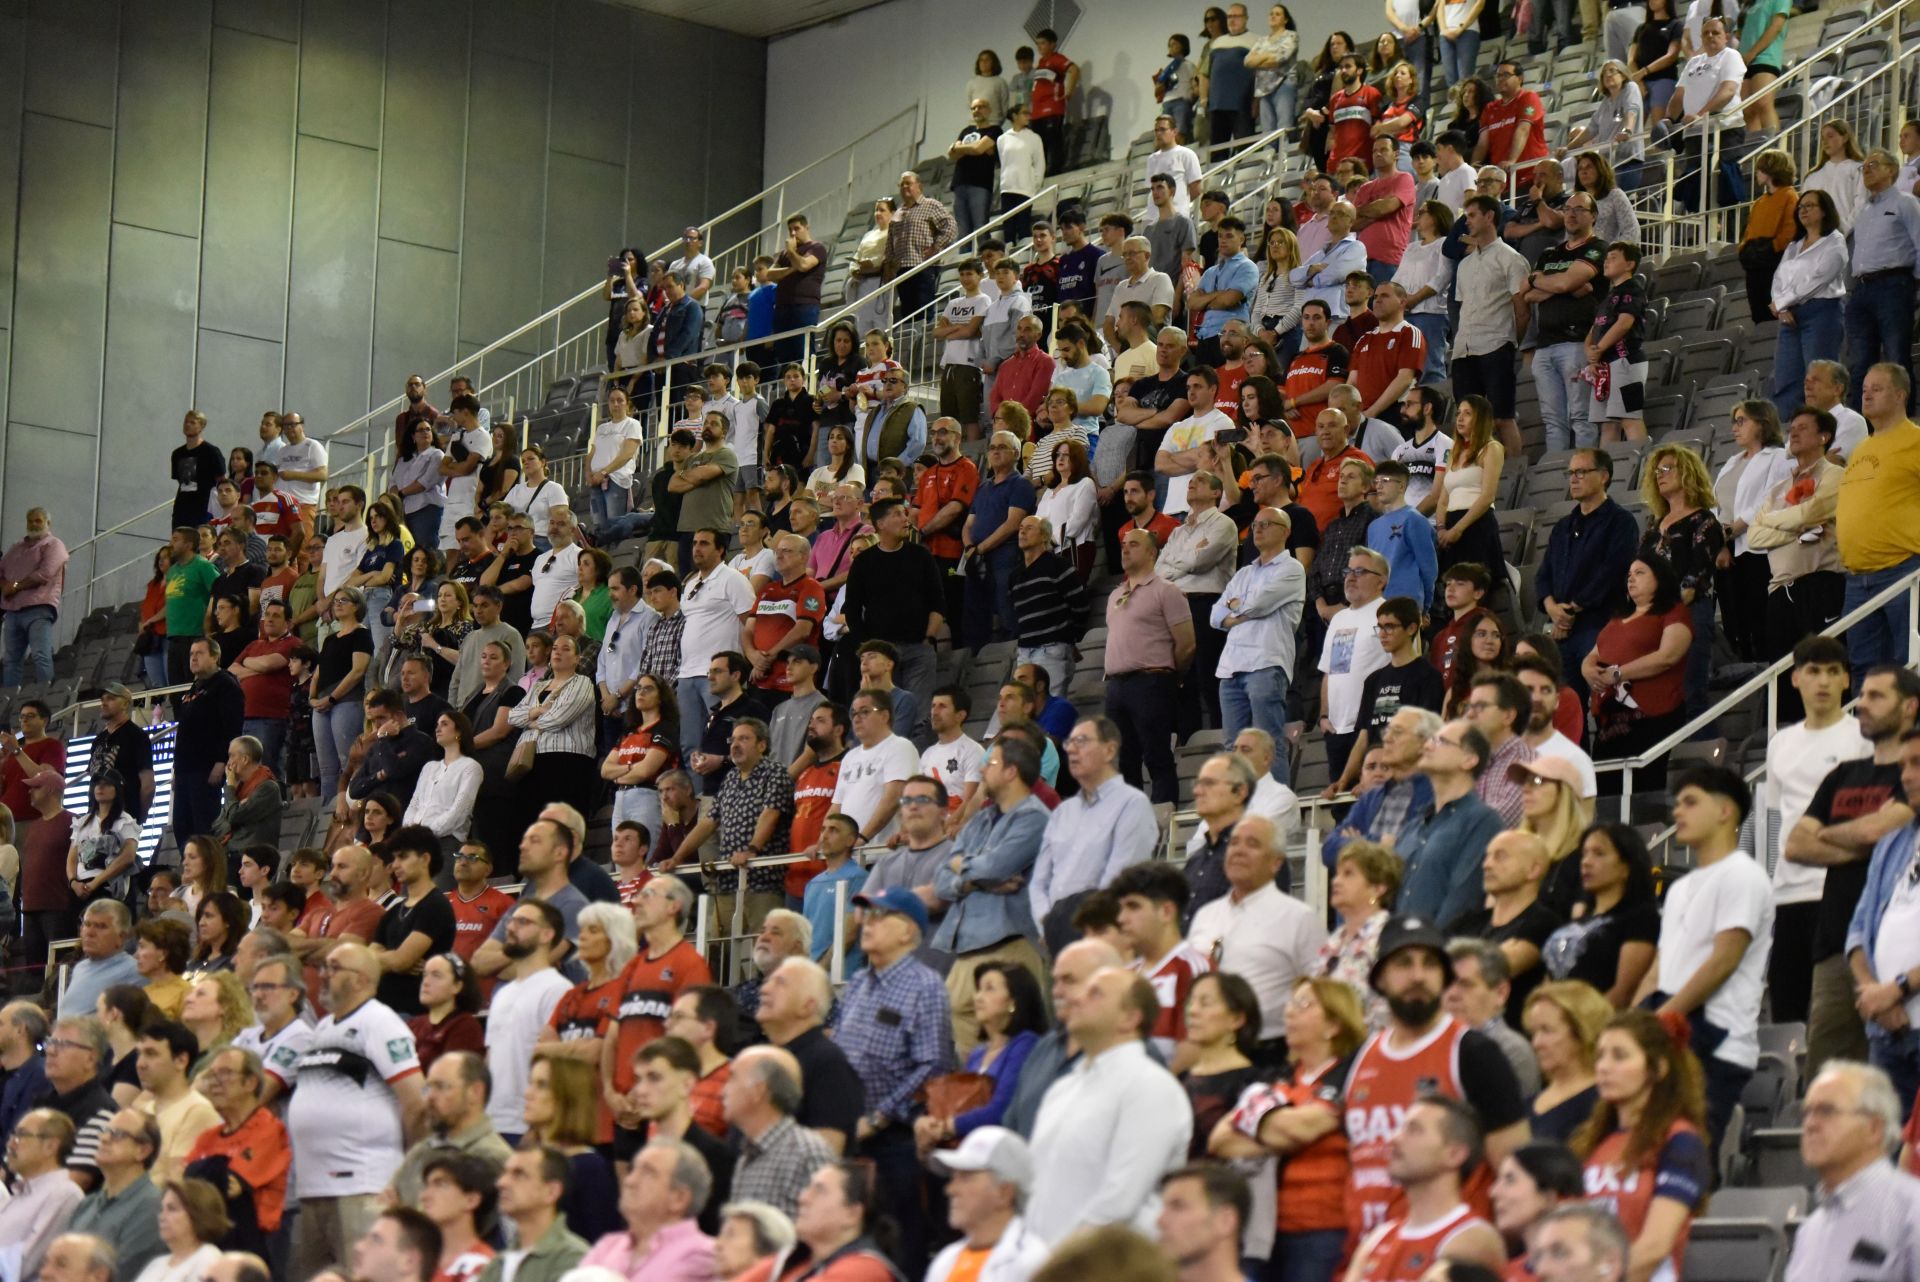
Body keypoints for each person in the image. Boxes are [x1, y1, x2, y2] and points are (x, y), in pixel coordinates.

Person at [1649, 766, 1772, 1162]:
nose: (1677, 813)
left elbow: (1725, 960)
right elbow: (1661, 963)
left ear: (1725, 811)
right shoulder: (1681, 886)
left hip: (1718, 1042)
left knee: (1689, 1160)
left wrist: (1663, 1017)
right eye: (1676, 804)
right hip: (1674, 1035)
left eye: (1690, 802)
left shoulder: (1744, 876)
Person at [287, 943, 427, 1280]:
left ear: (362, 980)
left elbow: (416, 1101)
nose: (323, 974)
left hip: (363, 1185)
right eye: (324, 967)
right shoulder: (322, 1029)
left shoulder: (380, 1022)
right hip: (311, 1188)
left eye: (334, 968)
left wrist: (407, 1177)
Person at [1025, 967, 1191, 1243]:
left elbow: (1119, 1202)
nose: (1076, 998)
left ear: (1130, 1018)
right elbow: (1036, 1186)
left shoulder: (1150, 1086)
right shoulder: (1063, 1088)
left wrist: (1063, 1265)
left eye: (1095, 994)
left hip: (1107, 1265)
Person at [1187, 815, 1327, 1042]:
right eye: (1234, 843)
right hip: (1205, 1050)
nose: (1239, 851)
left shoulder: (1299, 918)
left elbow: (1320, 994)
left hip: (1267, 1051)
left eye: (1252, 844)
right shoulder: (1205, 915)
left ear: (1276, 862)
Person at [1786, 1060, 1920, 1282]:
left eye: (1827, 1111)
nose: (1810, 1124)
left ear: (1874, 1128)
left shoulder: (1912, 1211)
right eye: (1806, 1113)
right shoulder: (1809, 1231)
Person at [1838, 364, 1920, 680]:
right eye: (1865, 388)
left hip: (1903, 571)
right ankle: (1868, 732)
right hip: (1857, 579)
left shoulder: (1915, 440)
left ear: (1900, 395)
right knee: (1864, 671)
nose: (1867, 393)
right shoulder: (1862, 448)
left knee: (1908, 665)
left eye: (1877, 388)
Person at [1538, 449, 1639, 703]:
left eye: (1581, 472)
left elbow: (1612, 573)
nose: (1574, 478)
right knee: (1567, 709)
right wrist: (1554, 610)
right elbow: (1544, 576)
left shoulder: (1621, 522)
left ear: (1604, 476)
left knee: (1607, 704)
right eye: (1571, 473)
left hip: (1599, 627)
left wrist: (1568, 612)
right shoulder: (1563, 526)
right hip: (1563, 631)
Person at [1581, 557, 1693, 780]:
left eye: (1640, 572)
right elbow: (1593, 655)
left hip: (1653, 718)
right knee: (1607, 792)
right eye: (1629, 574)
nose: (1631, 578)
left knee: (1645, 788)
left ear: (1659, 577)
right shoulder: (1617, 618)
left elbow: (1667, 656)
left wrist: (1619, 674)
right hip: (1610, 722)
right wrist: (1588, 670)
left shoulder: (1673, 612)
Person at [723, 1042, 837, 1216]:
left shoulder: (807, 1153)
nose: (722, 1091)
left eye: (732, 1078)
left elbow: (827, 1230)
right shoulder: (747, 1152)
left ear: (758, 1091)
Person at [67, 1110, 165, 1279]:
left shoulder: (152, 1205)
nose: (104, 1139)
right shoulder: (87, 1204)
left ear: (143, 1151)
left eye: (118, 1134)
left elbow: (124, 1273)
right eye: (105, 1131)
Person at [474, 1148, 590, 1282]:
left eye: (519, 1174)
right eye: (504, 1173)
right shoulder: (496, 1264)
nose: (501, 1183)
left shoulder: (573, 1259)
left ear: (551, 1192)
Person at [1521, 982, 1610, 1143]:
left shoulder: (1602, 1102)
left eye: (1547, 1030)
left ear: (1581, 1032)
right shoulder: (1525, 1105)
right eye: (1533, 1033)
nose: (1536, 1043)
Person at [1, 507, 67, 687]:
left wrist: (14, 586)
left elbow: (45, 574)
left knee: (40, 655)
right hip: (13, 610)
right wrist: (6, 587)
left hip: (39, 608)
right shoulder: (16, 547)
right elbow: (1, 571)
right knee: (11, 660)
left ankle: (45, 698)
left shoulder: (54, 544)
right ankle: (7, 702)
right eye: (30, 520)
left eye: (38, 520)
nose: (33, 524)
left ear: (48, 523)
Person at [128, 1179, 226, 1282]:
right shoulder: (157, 1263)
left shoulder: (209, 1260)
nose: (162, 1217)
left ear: (197, 1214)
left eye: (172, 1209)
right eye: (162, 1209)